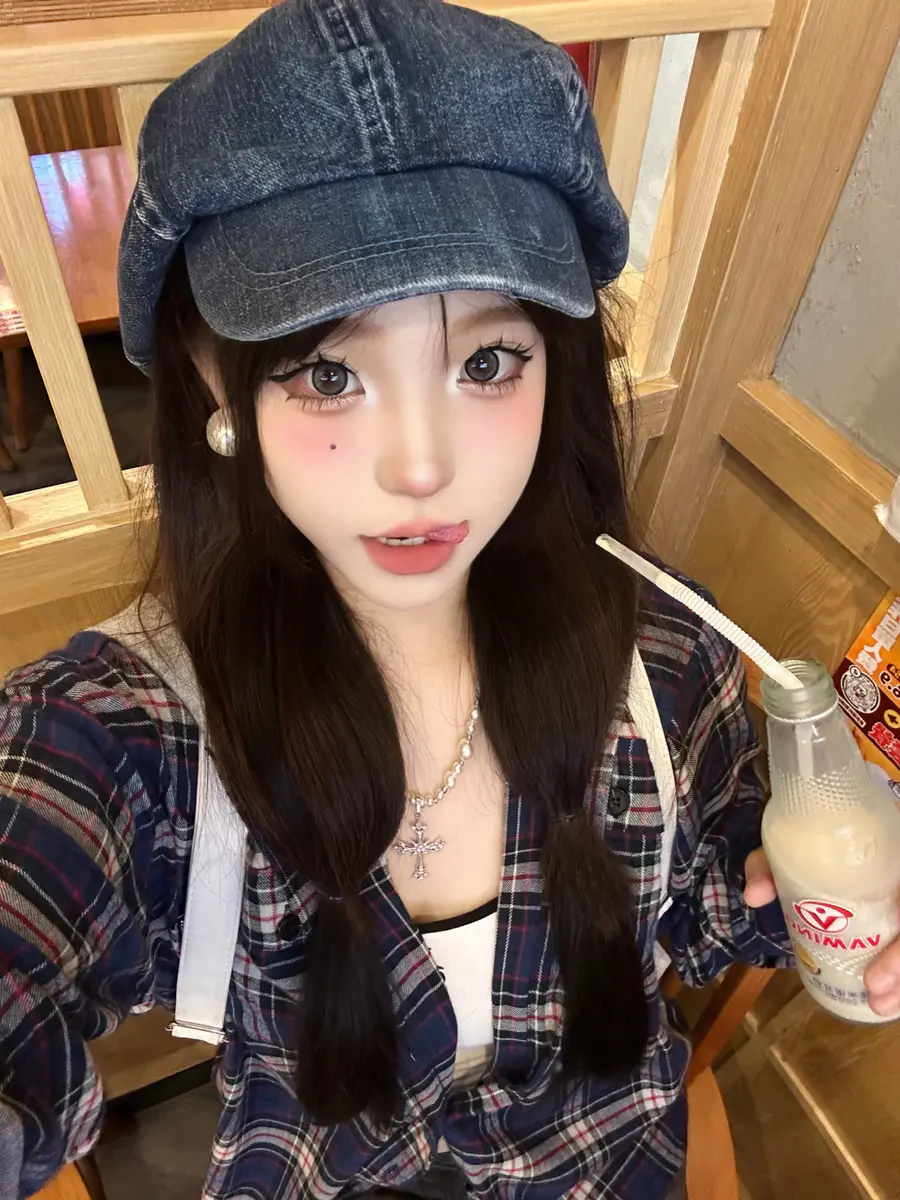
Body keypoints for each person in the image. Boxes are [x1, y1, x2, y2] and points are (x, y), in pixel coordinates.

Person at [1, 2, 898, 1198]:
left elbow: (718, 909)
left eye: (485, 362)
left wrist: (832, 892)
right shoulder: (127, 730)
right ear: (216, 375)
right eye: (329, 374)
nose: (421, 467)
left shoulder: (664, 654)